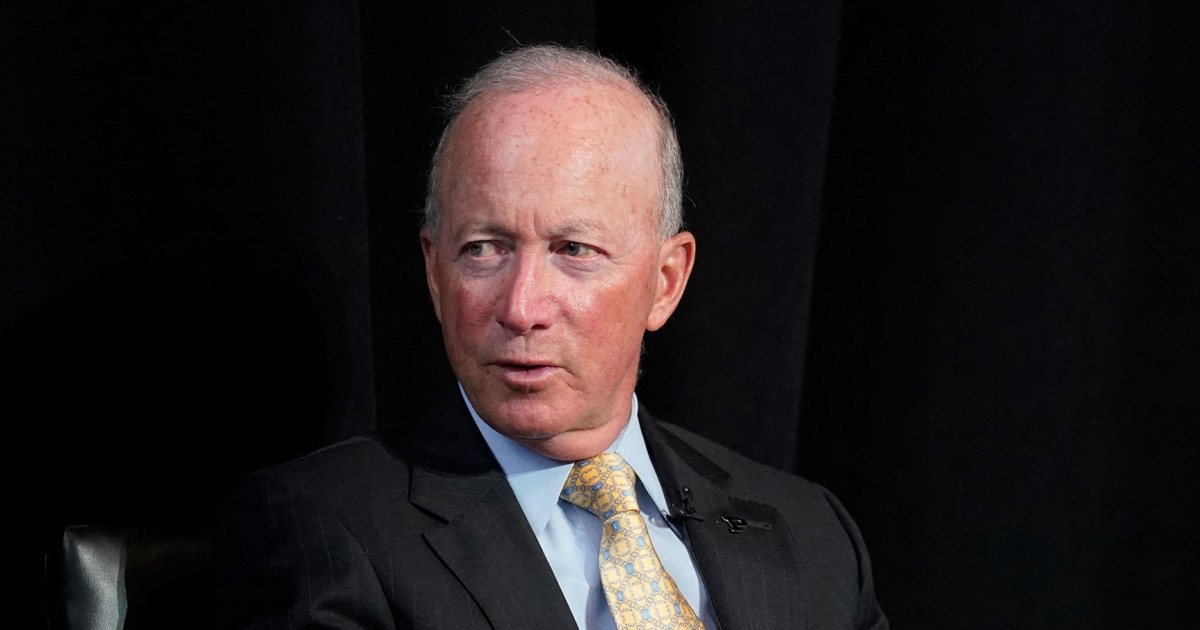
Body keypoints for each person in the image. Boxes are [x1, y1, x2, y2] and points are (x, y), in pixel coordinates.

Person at [216, 44, 888, 630]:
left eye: (574, 249)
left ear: (665, 282)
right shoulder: (325, 527)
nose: (521, 307)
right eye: (484, 248)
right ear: (434, 272)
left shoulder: (811, 530)